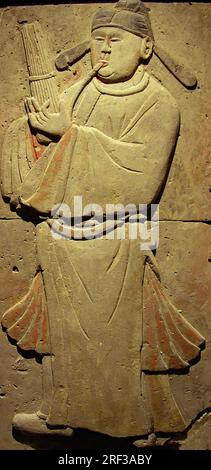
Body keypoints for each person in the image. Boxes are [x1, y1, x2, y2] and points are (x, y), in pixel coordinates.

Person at [1, 0, 205, 445]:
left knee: (115, 337)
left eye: (115, 42)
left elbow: (141, 179)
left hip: (117, 240)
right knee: (62, 333)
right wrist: (34, 133)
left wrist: (70, 137)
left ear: (146, 47)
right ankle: (60, 414)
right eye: (97, 42)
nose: (103, 53)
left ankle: (128, 424)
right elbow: (48, 139)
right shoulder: (80, 90)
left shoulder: (159, 104)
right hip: (61, 235)